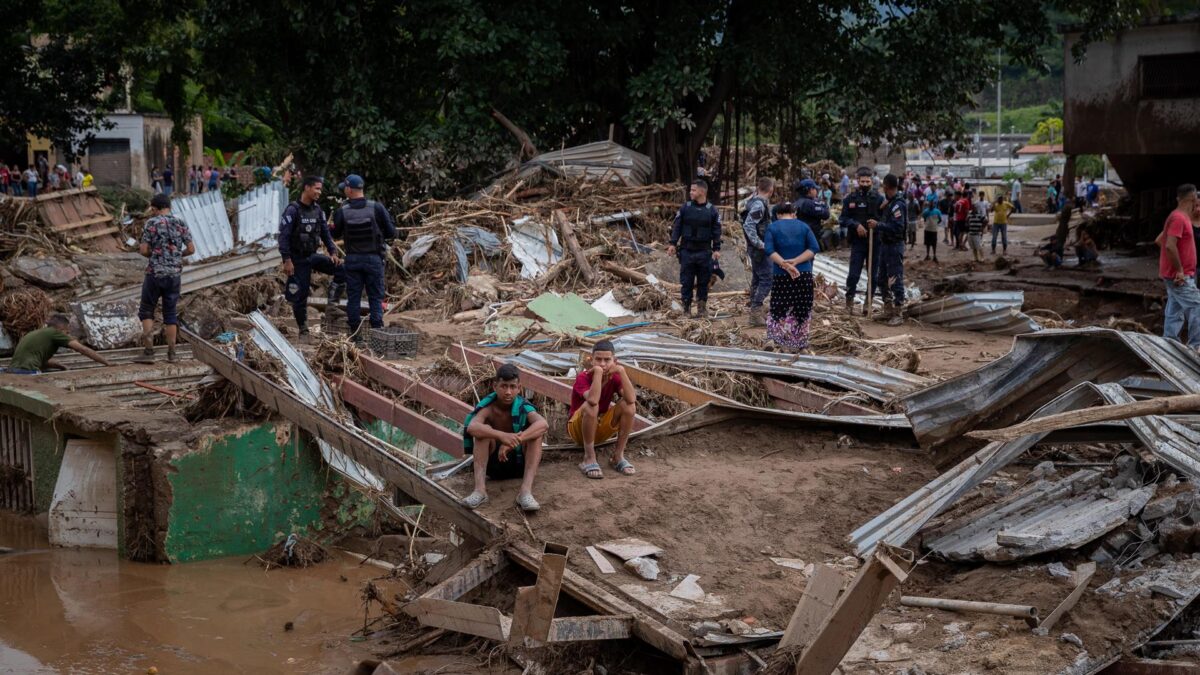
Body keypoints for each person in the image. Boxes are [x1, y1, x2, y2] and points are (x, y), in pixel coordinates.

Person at [461, 363, 549, 512]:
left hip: (519, 464)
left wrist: (514, 441)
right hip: (494, 466)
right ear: (495, 386)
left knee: (535, 435)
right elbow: (473, 427)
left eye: (512, 387)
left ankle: (525, 492)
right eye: (504, 386)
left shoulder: (523, 407)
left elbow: (543, 424)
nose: (508, 392)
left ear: (519, 388)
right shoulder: (488, 407)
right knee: (483, 433)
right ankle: (480, 491)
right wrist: (502, 436)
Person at [330, 174, 399, 339]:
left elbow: (334, 233)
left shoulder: (343, 211)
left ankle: (355, 337)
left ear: (349, 189)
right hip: (374, 260)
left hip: (353, 260)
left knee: (353, 298)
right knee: (375, 298)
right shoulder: (376, 207)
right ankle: (377, 336)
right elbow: (391, 233)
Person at [280, 175, 345, 336]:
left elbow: (325, 234)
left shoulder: (318, 210)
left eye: (320, 189)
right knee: (300, 296)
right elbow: (283, 237)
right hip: (297, 259)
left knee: (342, 269)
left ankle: (332, 307)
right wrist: (287, 260)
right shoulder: (293, 210)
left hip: (313, 255)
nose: (319, 192)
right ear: (307, 188)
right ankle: (303, 330)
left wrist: (333, 252)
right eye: (317, 188)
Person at [134, 193, 195, 363]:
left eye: (152, 209)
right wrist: (176, 255)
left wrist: (156, 255)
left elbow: (143, 250)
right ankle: (172, 354)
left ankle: (149, 352)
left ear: (154, 208)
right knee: (170, 313)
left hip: (155, 273)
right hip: (174, 275)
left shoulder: (151, 223)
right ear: (169, 207)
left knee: (146, 310)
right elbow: (191, 249)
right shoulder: (180, 223)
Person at [569, 340, 638, 480]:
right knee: (591, 406)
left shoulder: (615, 376)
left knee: (629, 406)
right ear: (591, 360)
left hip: (599, 429)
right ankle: (589, 457)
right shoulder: (583, 377)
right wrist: (598, 373)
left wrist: (621, 370)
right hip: (578, 430)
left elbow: (631, 399)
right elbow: (593, 400)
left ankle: (618, 456)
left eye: (607, 360)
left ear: (614, 360)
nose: (602, 364)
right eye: (598, 359)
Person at [764, 202, 820, 352]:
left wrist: (786, 265)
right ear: (793, 213)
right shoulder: (804, 227)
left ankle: (775, 340)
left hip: (781, 275)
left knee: (779, 306)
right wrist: (795, 261)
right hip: (803, 273)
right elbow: (814, 248)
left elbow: (769, 250)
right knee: (801, 307)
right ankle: (799, 343)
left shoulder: (773, 227)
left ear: (777, 215)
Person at [667, 179, 722, 318]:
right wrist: (673, 243)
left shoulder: (712, 210)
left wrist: (716, 249)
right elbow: (677, 227)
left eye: (693, 190)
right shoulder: (685, 208)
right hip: (687, 251)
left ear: (702, 192)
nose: (690, 192)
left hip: (704, 252)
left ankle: (702, 308)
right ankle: (686, 309)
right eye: (690, 190)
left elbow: (717, 231)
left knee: (704, 281)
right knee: (686, 281)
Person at [1159, 184, 1200, 350]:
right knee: (1197, 305)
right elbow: (1169, 245)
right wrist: (1180, 270)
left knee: (1174, 311)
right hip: (1179, 275)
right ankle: (1196, 346)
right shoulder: (1179, 218)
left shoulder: (1181, 217)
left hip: (1178, 274)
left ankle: (1169, 343)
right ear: (1192, 199)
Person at [839, 167, 884, 313]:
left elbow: (884, 219)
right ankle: (849, 302)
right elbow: (843, 219)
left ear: (872, 181)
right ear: (858, 181)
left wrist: (876, 225)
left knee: (873, 274)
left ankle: (868, 303)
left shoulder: (879, 199)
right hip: (858, 242)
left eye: (867, 181)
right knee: (854, 274)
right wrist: (856, 225)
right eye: (862, 181)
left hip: (874, 242)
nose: (865, 183)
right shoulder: (850, 199)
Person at [4, 315, 111, 374]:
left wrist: (61, 366)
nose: (67, 334)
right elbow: (83, 350)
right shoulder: (55, 333)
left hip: (12, 370)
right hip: (27, 372)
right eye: (67, 332)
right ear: (61, 328)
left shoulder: (36, 333)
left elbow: (40, 359)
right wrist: (107, 363)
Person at [740, 177, 774, 327]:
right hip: (759, 249)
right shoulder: (759, 205)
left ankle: (754, 311)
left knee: (758, 278)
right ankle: (755, 311)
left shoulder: (753, 200)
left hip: (755, 248)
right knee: (767, 279)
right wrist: (760, 244)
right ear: (771, 190)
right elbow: (748, 225)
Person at [874, 174, 907, 325]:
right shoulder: (889, 203)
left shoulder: (897, 205)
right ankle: (887, 309)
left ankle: (898, 312)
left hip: (894, 245)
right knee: (881, 278)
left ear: (886, 186)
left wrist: (878, 225)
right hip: (885, 245)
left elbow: (898, 227)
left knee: (895, 278)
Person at [966, 197, 987, 262]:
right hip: (971, 232)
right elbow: (967, 220)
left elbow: (986, 221)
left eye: (974, 207)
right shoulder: (970, 214)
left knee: (979, 246)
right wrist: (968, 225)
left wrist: (982, 227)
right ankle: (976, 258)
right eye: (972, 207)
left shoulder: (979, 215)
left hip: (977, 233)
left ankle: (982, 257)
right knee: (973, 247)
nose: (973, 208)